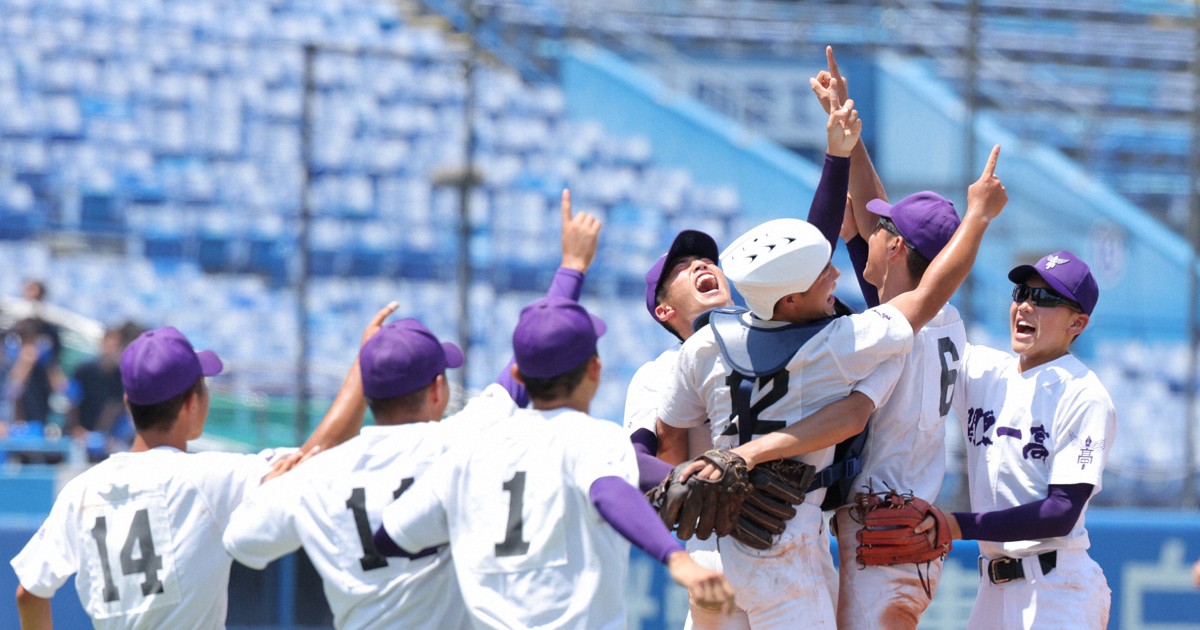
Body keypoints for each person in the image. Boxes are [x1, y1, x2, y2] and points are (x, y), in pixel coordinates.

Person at [657, 144, 1007, 629]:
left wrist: (722, 463)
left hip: (743, 541)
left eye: (878, 230)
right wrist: (978, 217)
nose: (840, 266)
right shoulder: (853, 340)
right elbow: (923, 292)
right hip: (814, 536)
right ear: (795, 295)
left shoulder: (703, 346)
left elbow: (667, 438)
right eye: (823, 271)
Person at [222, 190, 605, 629]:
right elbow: (534, 358)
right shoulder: (458, 442)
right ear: (438, 389)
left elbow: (242, 540)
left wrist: (303, 465)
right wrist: (571, 268)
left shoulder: (319, 476)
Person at [10, 306, 393, 629]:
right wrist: (362, 368)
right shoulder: (208, 479)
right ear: (193, 403)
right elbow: (317, 455)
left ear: (129, 403)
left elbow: (29, 593)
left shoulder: (81, 490)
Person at [374, 296, 735, 628]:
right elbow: (610, 491)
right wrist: (678, 559)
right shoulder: (592, 437)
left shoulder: (468, 452)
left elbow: (390, 538)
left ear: (518, 376)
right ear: (595, 370)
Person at [802, 45, 970, 629]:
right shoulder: (936, 315)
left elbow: (850, 416)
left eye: (882, 229)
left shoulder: (900, 326)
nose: (867, 231)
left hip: (885, 531)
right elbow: (874, 225)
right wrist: (850, 132)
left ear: (898, 247)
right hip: (900, 523)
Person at [917, 250, 1116, 629]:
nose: (1025, 305)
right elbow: (908, 315)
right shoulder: (984, 371)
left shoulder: (1083, 394)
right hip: (993, 589)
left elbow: (1061, 512)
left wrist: (959, 525)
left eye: (1044, 299)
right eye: (1021, 293)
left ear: (1078, 322)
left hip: (1057, 591)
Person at [65, 323, 143, 459]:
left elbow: (113, 408)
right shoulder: (83, 371)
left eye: (116, 344)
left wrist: (101, 435)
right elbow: (72, 403)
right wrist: (77, 430)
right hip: (79, 434)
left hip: (107, 438)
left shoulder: (122, 376)